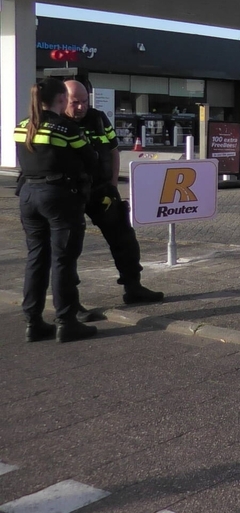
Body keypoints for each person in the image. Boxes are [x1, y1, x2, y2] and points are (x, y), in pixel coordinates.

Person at [14, 78, 98, 343]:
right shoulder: (66, 129)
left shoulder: (23, 126)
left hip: (28, 196)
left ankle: (34, 322)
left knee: (36, 258)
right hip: (59, 197)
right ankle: (66, 322)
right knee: (63, 259)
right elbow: (91, 159)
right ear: (62, 99)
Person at [64, 81, 163, 306]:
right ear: (62, 101)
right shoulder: (56, 122)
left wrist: (112, 185)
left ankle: (133, 287)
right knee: (68, 248)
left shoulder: (98, 118)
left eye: (85, 102)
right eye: (75, 103)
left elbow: (113, 150)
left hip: (101, 190)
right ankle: (71, 303)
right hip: (71, 193)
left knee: (124, 238)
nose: (81, 107)